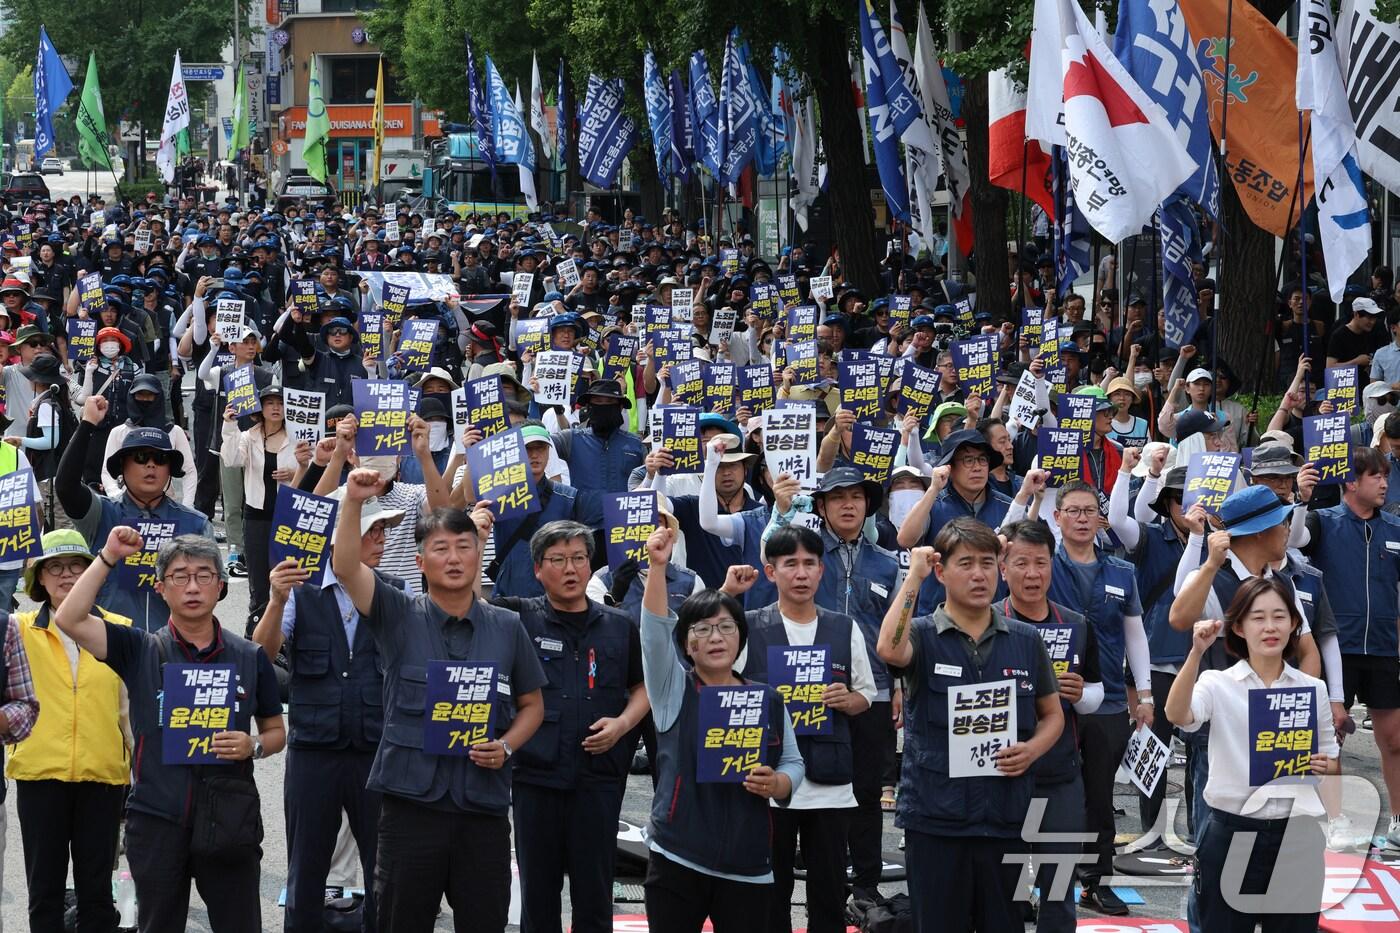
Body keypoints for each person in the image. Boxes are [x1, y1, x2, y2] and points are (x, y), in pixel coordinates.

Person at [331, 474, 546, 932]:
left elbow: (532, 705)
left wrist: (505, 747)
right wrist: (352, 499)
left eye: (464, 546)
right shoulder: (396, 614)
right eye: (441, 548)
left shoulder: (507, 626)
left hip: (482, 810)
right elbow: (347, 567)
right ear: (420, 561)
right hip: (411, 809)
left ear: (479, 553)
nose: (454, 558)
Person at [51, 529, 286, 933]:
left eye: (204, 575)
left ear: (222, 586)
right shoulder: (140, 648)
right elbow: (69, 618)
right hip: (157, 817)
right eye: (180, 576)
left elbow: (275, 730)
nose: (192, 586)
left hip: (229, 818)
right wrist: (108, 556)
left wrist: (254, 745)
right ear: (161, 588)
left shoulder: (248, 656)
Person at [876, 517, 1063, 933]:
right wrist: (913, 578)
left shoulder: (1025, 640)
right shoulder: (923, 635)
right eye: (965, 564)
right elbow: (888, 647)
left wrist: (1031, 750)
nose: (979, 575)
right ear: (941, 571)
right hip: (935, 818)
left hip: (1005, 816)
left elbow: (1053, 716)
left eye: (987, 563)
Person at [638, 524, 803, 933]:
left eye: (727, 627)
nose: (716, 637)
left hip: (748, 864)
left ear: (740, 639)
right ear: (688, 643)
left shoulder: (766, 698)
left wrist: (779, 783)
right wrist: (658, 567)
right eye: (702, 629)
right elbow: (654, 634)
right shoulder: (672, 689)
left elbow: (793, 761)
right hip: (677, 855)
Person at [252, 495, 405, 933]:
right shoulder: (299, 590)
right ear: (339, 537)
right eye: (370, 529)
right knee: (305, 873)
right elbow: (262, 658)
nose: (379, 538)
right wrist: (276, 600)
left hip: (377, 752)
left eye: (383, 530)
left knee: (385, 873)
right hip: (313, 752)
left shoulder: (395, 590)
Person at [491, 520, 648, 933]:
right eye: (558, 560)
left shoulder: (618, 625)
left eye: (579, 558)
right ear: (539, 569)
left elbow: (643, 688)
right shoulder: (517, 618)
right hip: (535, 777)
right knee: (538, 899)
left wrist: (622, 724)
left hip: (599, 781)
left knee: (594, 894)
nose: (571, 568)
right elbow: (468, 603)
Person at [722, 525, 875, 933]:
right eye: (791, 564)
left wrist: (848, 700)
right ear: (771, 572)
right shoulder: (749, 626)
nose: (801, 573)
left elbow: (866, 695)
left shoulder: (844, 627)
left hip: (830, 782)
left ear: (822, 571)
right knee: (770, 892)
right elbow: (718, 686)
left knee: (829, 891)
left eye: (810, 563)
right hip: (767, 780)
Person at [1165, 576, 1338, 932]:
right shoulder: (1217, 683)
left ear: (1294, 624)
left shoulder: (1312, 689)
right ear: (1239, 627)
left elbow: (1331, 763)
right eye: (1258, 617)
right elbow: (1177, 714)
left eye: (1279, 616)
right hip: (1232, 835)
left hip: (1297, 835)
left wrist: (1325, 766)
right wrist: (1196, 652)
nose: (1270, 627)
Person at [765, 466, 900, 903]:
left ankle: (864, 884)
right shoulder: (805, 553)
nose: (848, 505)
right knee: (808, 782)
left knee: (865, 790)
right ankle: (816, 867)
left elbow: (895, 629)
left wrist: (897, 684)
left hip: (871, 690)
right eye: (838, 497)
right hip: (805, 692)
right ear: (820, 506)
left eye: (857, 497)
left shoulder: (885, 561)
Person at [7, 531, 128, 933]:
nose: (66, 575)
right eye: (54, 567)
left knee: (97, 894)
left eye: (77, 564)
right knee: (44, 893)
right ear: (39, 578)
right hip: (40, 775)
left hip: (104, 776)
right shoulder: (17, 630)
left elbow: (130, 714)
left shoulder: (120, 630)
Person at [1045, 480, 1152, 915]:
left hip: (1106, 699)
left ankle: (1095, 881)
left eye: (1090, 510)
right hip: (1049, 700)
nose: (1083, 518)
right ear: (1058, 518)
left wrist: (1143, 694)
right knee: (1048, 794)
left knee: (1099, 797)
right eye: (1073, 510)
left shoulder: (1121, 571)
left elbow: (1136, 635)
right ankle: (1042, 882)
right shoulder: (1043, 566)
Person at [998, 520, 1103, 933]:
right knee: (1000, 890)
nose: (1032, 573)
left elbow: (1098, 695)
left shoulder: (1075, 624)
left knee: (1058, 889)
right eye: (1021, 562)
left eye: (1040, 563)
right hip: (999, 774)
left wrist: (1080, 694)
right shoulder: (985, 622)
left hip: (1059, 774)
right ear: (1003, 567)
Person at [1300, 445, 1400, 847]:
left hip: (1382, 647)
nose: (1384, 483)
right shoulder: (1321, 522)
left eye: (1386, 475)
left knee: (1394, 739)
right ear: (1351, 481)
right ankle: (1334, 819)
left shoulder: (1395, 529)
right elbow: (1293, 540)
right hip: (1333, 648)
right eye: (1375, 476)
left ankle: (1398, 820)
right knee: (1330, 739)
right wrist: (1302, 497)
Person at [55, 399, 214, 632]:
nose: (151, 465)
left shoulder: (197, 524)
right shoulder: (101, 512)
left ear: (170, 469)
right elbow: (66, 487)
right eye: (140, 458)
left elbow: (216, 591)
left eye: (160, 459)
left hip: (172, 648)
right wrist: (87, 424)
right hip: (108, 647)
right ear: (122, 466)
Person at [456, 422, 604, 598]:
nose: (535, 455)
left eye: (541, 448)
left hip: (552, 600)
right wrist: (472, 453)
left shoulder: (568, 498)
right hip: (508, 596)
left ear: (549, 452)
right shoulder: (499, 492)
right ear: (516, 451)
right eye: (528, 448)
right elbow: (470, 495)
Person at [220, 383, 301, 617]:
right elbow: (232, 459)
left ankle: (286, 629)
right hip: (256, 516)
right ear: (260, 408)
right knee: (258, 579)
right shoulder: (249, 436)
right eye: (270, 403)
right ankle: (256, 627)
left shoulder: (298, 435)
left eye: (281, 403)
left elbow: (316, 467)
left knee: (288, 575)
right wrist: (230, 424)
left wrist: (294, 473)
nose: (276, 408)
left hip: (288, 516)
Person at [101, 373, 198, 509]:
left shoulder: (174, 431)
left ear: (158, 398)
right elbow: (107, 471)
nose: (145, 399)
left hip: (165, 504)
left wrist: (187, 506)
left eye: (149, 395)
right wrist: (116, 496)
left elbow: (189, 471)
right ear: (132, 397)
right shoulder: (118, 432)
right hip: (128, 505)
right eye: (140, 395)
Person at [552, 379, 647, 502]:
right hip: (582, 520)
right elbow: (537, 443)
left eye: (609, 402)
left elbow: (650, 480)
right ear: (589, 407)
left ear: (620, 407)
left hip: (624, 518)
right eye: (598, 401)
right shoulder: (571, 439)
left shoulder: (636, 444)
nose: (603, 406)